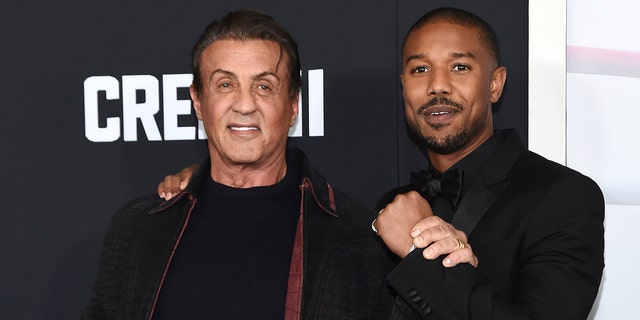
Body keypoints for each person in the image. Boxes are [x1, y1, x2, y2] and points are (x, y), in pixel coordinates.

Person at [158, 7, 605, 320]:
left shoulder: (563, 196)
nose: (437, 87)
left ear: (496, 84)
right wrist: (208, 186)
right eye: (419, 70)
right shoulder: (390, 206)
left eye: (461, 67)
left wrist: (419, 257)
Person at [83, 10, 394, 320]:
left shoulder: (356, 235)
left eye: (263, 86)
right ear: (197, 102)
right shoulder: (138, 229)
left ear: (294, 104)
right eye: (225, 85)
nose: (244, 105)